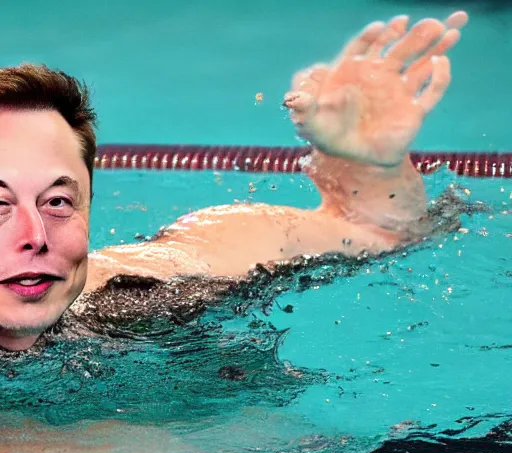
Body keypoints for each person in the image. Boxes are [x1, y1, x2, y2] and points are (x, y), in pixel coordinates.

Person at [0, 12, 468, 354]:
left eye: (58, 201)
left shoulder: (142, 290)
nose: (35, 239)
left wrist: (369, 164)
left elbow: (385, 232)